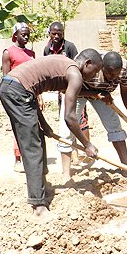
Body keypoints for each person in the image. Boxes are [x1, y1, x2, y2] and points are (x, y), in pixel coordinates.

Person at [0, 49, 103, 220]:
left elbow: (32, 89)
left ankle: (43, 187)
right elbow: (69, 117)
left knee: (37, 140)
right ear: (87, 63)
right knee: (32, 147)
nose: (95, 75)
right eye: (96, 71)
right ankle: (38, 207)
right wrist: (87, 145)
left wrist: (44, 124)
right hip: (17, 90)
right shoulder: (75, 74)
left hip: (15, 88)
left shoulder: (67, 66)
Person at [57, 51, 127, 185]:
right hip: (78, 94)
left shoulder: (124, 68)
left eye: (116, 74)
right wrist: (95, 93)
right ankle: (66, 176)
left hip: (103, 95)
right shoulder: (88, 67)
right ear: (101, 69)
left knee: (115, 125)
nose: (114, 78)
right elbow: (67, 90)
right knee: (66, 132)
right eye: (110, 74)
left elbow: (125, 92)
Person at [43, 21, 90, 163]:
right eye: (54, 33)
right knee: (66, 120)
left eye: (59, 33)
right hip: (59, 90)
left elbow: (77, 66)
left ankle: (86, 152)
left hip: (73, 89)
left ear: (63, 33)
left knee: (80, 119)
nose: (56, 36)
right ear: (50, 33)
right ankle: (74, 153)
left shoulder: (69, 47)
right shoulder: (47, 49)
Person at [2, 22, 41, 173]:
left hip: (31, 94)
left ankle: (30, 158)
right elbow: (6, 77)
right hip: (16, 94)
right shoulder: (8, 52)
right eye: (22, 34)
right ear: (15, 35)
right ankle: (17, 160)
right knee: (19, 126)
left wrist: (39, 97)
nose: (26, 37)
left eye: (27, 34)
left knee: (32, 126)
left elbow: (36, 77)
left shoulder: (32, 54)